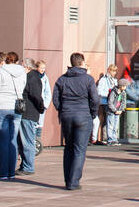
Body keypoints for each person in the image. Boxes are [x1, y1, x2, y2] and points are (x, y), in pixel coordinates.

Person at [52, 52, 100, 189]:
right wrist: (93, 113)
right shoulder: (88, 79)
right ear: (82, 63)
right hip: (83, 115)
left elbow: (56, 99)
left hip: (67, 115)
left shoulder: (62, 79)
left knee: (68, 147)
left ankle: (68, 180)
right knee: (79, 150)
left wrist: (62, 110)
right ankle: (73, 182)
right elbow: (95, 99)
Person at [0, 52, 28, 180]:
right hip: (16, 107)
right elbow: (22, 88)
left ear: (6, 61)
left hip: (1, 107)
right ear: (17, 61)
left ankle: (3, 172)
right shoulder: (23, 73)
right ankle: (11, 171)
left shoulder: (0, 72)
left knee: (3, 140)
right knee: (12, 140)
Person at [18, 59, 46, 171]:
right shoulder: (32, 77)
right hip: (28, 113)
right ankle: (25, 165)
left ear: (27, 67)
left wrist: (41, 107)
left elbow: (36, 96)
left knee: (27, 141)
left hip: (28, 113)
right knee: (25, 140)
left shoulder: (32, 77)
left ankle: (28, 166)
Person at [96, 63, 119, 145]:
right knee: (106, 120)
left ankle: (112, 137)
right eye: (113, 71)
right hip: (105, 101)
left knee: (112, 120)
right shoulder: (103, 80)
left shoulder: (114, 80)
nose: (114, 73)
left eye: (115, 71)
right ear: (109, 70)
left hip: (113, 102)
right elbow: (99, 91)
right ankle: (105, 137)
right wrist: (109, 94)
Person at [107, 78, 130, 147]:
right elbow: (110, 103)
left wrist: (121, 110)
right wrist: (115, 110)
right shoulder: (113, 92)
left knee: (115, 126)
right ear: (121, 86)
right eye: (125, 86)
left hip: (118, 111)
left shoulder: (123, 93)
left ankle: (114, 139)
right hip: (111, 111)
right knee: (110, 126)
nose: (126, 87)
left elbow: (123, 102)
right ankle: (110, 140)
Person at [36, 59, 51, 150]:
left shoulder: (45, 78)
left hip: (42, 105)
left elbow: (48, 92)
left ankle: (37, 140)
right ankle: (33, 139)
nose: (43, 70)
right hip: (34, 104)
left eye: (44, 68)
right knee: (34, 123)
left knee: (40, 123)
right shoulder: (33, 77)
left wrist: (45, 104)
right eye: (41, 68)